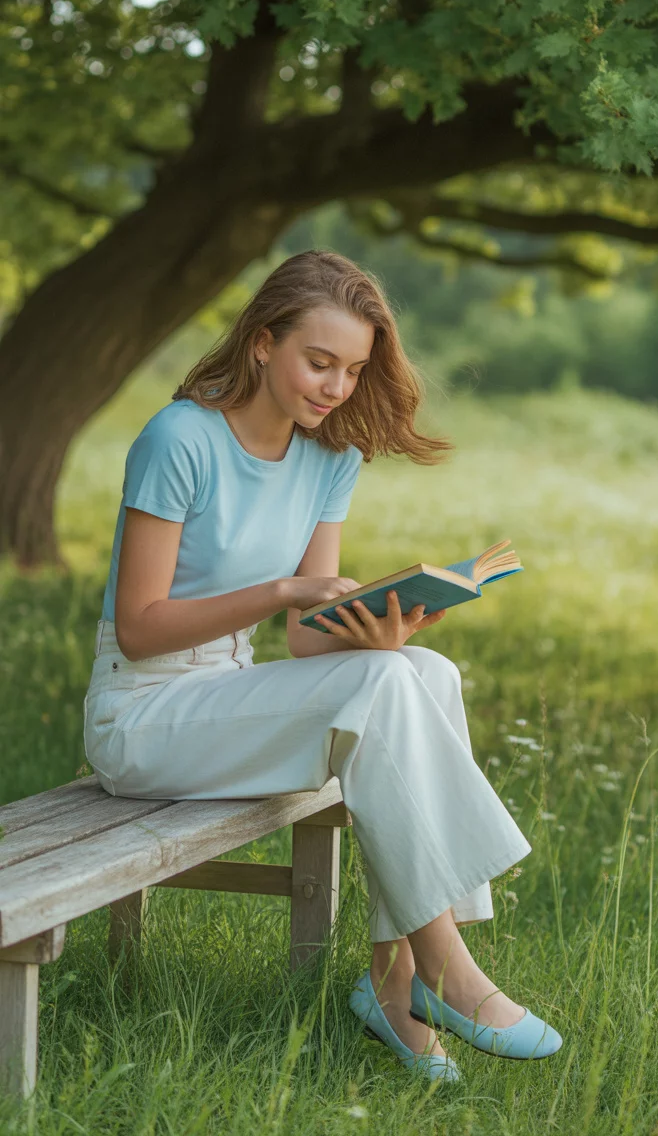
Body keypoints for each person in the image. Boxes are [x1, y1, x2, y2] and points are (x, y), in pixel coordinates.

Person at [84, 248, 562, 1082]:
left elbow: (307, 637)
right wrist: (278, 589)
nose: (336, 387)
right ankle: (439, 971)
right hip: (146, 717)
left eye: (352, 370)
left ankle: (395, 983)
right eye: (319, 362)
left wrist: (378, 627)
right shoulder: (180, 438)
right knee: (390, 686)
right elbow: (138, 628)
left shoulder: (330, 459)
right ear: (264, 343)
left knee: (426, 673)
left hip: (228, 699)